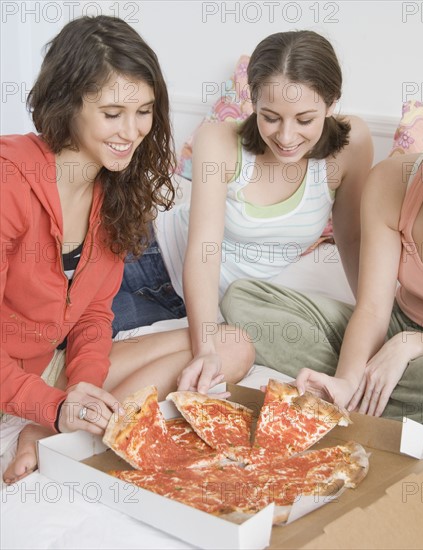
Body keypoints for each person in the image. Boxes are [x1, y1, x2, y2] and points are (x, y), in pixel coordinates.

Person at [221, 71, 423, 443]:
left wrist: (410, 346)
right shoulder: (393, 181)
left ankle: (381, 410)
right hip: (393, 325)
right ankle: (381, 409)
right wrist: (346, 381)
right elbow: (373, 308)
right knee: (243, 300)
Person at [0, 15, 253, 485]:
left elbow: (96, 316)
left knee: (231, 346)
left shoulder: (115, 188)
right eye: (112, 113)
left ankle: (44, 433)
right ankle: (53, 425)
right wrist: (55, 405)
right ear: (67, 104)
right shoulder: (9, 181)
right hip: (7, 380)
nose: (132, 131)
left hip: (45, 368)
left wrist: (82, 388)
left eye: (144, 111)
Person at [111, 30, 374, 392]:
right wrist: (205, 348)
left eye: (304, 120)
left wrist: (374, 319)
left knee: (110, 370)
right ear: (252, 101)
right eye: (270, 117)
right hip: (144, 260)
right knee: (46, 338)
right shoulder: (219, 141)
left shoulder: (351, 145)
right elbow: (205, 251)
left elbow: (353, 238)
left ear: (331, 103)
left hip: (202, 309)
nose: (285, 136)